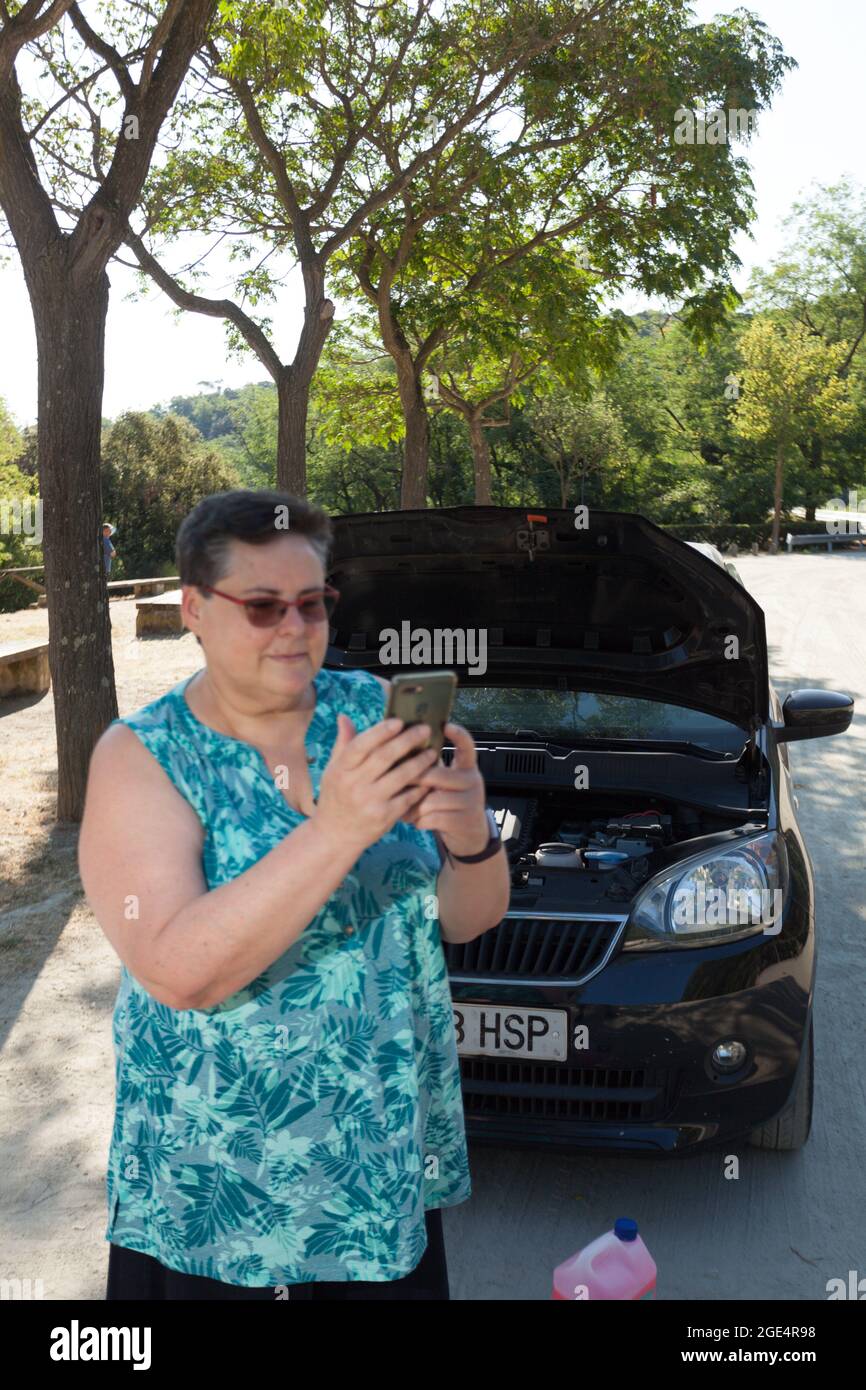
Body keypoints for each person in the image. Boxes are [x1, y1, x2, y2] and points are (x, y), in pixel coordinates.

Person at [78, 488, 511, 1301]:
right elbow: (177, 970)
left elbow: (465, 920)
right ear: (195, 609)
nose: (295, 629)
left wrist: (470, 836)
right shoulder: (142, 755)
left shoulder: (368, 710)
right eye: (264, 606)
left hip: (378, 1169)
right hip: (220, 1193)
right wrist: (337, 829)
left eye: (313, 604)